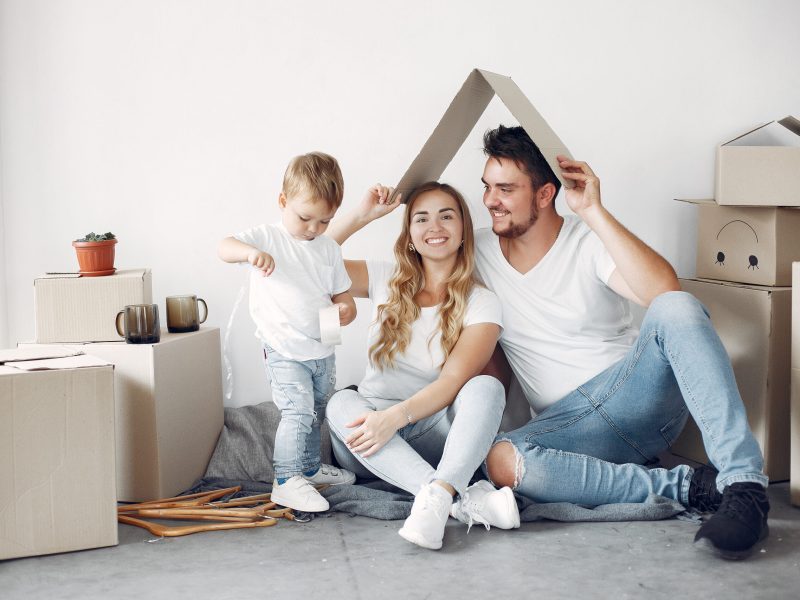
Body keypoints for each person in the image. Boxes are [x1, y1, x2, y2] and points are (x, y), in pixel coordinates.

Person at [475, 125, 769, 560]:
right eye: (486, 187)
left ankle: (744, 485)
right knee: (502, 458)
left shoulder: (587, 239)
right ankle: (690, 487)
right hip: (570, 426)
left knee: (677, 307)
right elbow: (402, 259)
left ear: (544, 194)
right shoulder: (478, 250)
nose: (489, 201)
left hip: (635, 399)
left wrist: (594, 211)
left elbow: (662, 290)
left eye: (505, 189)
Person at [325, 181, 520, 550]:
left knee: (486, 386)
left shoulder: (483, 303)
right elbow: (312, 262)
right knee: (339, 402)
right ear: (410, 235)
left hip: (431, 435)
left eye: (447, 216)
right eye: (422, 218)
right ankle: (458, 499)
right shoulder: (384, 277)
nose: (435, 227)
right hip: (366, 440)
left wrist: (394, 418)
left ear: (463, 231)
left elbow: (452, 382)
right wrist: (361, 216)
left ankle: (438, 496)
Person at [218, 151, 357, 513]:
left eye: (324, 221)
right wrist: (250, 254)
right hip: (283, 348)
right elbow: (223, 247)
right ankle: (285, 479)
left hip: (322, 347)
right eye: (305, 218)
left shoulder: (328, 250)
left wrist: (347, 309)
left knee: (318, 410)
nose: (313, 228)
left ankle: (308, 468)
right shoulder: (268, 237)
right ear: (283, 202)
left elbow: (343, 294)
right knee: (297, 411)